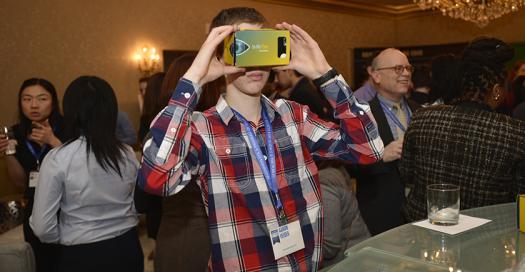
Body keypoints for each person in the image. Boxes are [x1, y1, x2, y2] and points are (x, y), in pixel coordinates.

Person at [138, 7, 383, 271]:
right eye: (244, 49)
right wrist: (193, 80)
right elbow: (157, 178)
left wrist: (325, 74)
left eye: (261, 48)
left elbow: (368, 149)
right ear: (220, 54)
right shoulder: (201, 128)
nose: (255, 65)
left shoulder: (294, 116)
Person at [400, 37, 525, 222]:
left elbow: (406, 173)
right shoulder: (514, 133)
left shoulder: (422, 117)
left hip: (422, 230)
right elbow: (519, 195)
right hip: (485, 238)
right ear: (498, 91)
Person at [30, 76, 143, 272]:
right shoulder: (126, 152)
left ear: (69, 111)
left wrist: (68, 235)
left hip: (82, 252)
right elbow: (136, 203)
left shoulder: (59, 158)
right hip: (128, 246)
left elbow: (42, 227)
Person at [353, 48, 420, 235]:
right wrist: (380, 156)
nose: (406, 73)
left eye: (408, 68)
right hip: (381, 214)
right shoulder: (362, 115)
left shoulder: (421, 111)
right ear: (376, 76)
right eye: (398, 68)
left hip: (419, 212)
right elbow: (350, 164)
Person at [0, 78, 63, 272]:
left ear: (53, 101)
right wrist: (7, 154)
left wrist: (52, 140)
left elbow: (79, 168)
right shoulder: (15, 133)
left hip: (66, 206)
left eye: (42, 98)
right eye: (27, 99)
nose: (34, 105)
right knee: (40, 263)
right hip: (34, 208)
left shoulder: (67, 128)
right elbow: (20, 182)